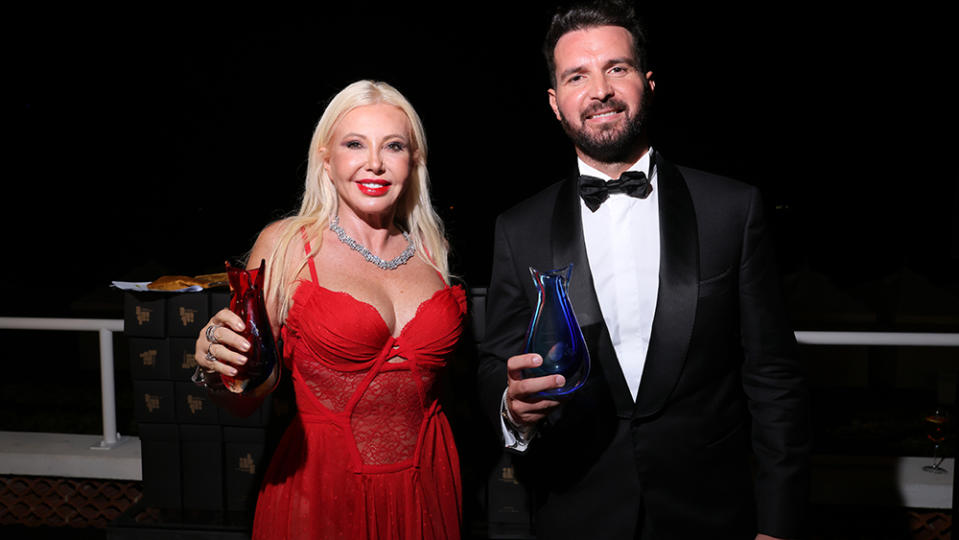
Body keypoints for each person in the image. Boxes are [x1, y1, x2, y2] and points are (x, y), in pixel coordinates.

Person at [476, 2, 811, 539]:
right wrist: (511, 408)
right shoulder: (519, 228)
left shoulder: (732, 209)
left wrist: (778, 523)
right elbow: (496, 362)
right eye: (577, 76)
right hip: (574, 512)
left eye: (617, 68)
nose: (600, 90)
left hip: (713, 516)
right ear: (555, 103)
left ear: (648, 83)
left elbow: (774, 380)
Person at [194, 80, 466, 539]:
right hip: (320, 491)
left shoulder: (432, 250)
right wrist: (214, 365)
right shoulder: (286, 247)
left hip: (428, 485)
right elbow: (242, 398)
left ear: (413, 161)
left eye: (393, 146)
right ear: (326, 158)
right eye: (354, 144)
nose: (374, 162)